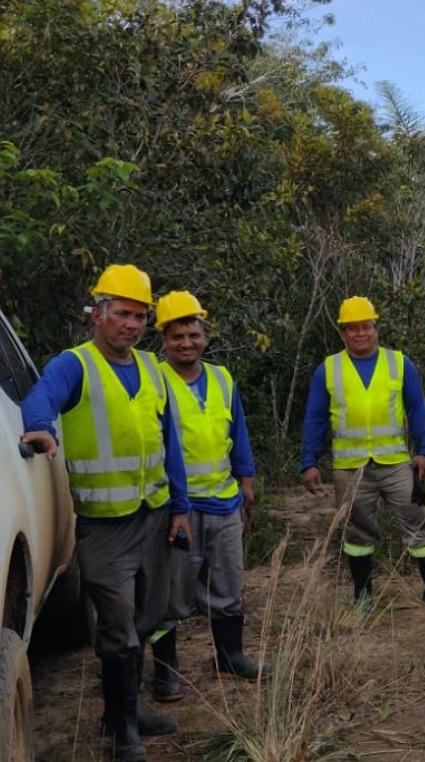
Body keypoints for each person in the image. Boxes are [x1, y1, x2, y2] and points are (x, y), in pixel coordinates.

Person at [20, 264, 190, 762]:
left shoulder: (154, 371)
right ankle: (122, 732)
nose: (131, 325)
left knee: (149, 617)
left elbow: (170, 444)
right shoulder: (76, 365)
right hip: (103, 526)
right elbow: (41, 398)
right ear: (98, 314)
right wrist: (39, 427)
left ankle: (127, 711)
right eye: (121, 314)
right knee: (116, 625)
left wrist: (180, 508)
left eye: (139, 316)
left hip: (154, 517)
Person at [300, 296, 425, 611]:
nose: (361, 334)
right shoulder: (328, 369)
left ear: (376, 328)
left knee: (418, 519)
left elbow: (417, 409)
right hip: (351, 467)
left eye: (366, 327)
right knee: (357, 531)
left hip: (396, 463)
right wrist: (309, 461)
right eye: (353, 329)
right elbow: (316, 418)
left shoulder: (400, 363)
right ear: (343, 333)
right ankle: (363, 595)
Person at [146, 291, 266, 704]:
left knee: (229, 584)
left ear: (204, 336)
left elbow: (239, 434)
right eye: (177, 336)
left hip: (224, 501)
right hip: (176, 508)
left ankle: (229, 656)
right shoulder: (154, 380)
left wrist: (246, 479)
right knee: (169, 595)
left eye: (193, 334)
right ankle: (165, 672)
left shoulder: (222, 378)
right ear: (164, 339)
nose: (186, 343)